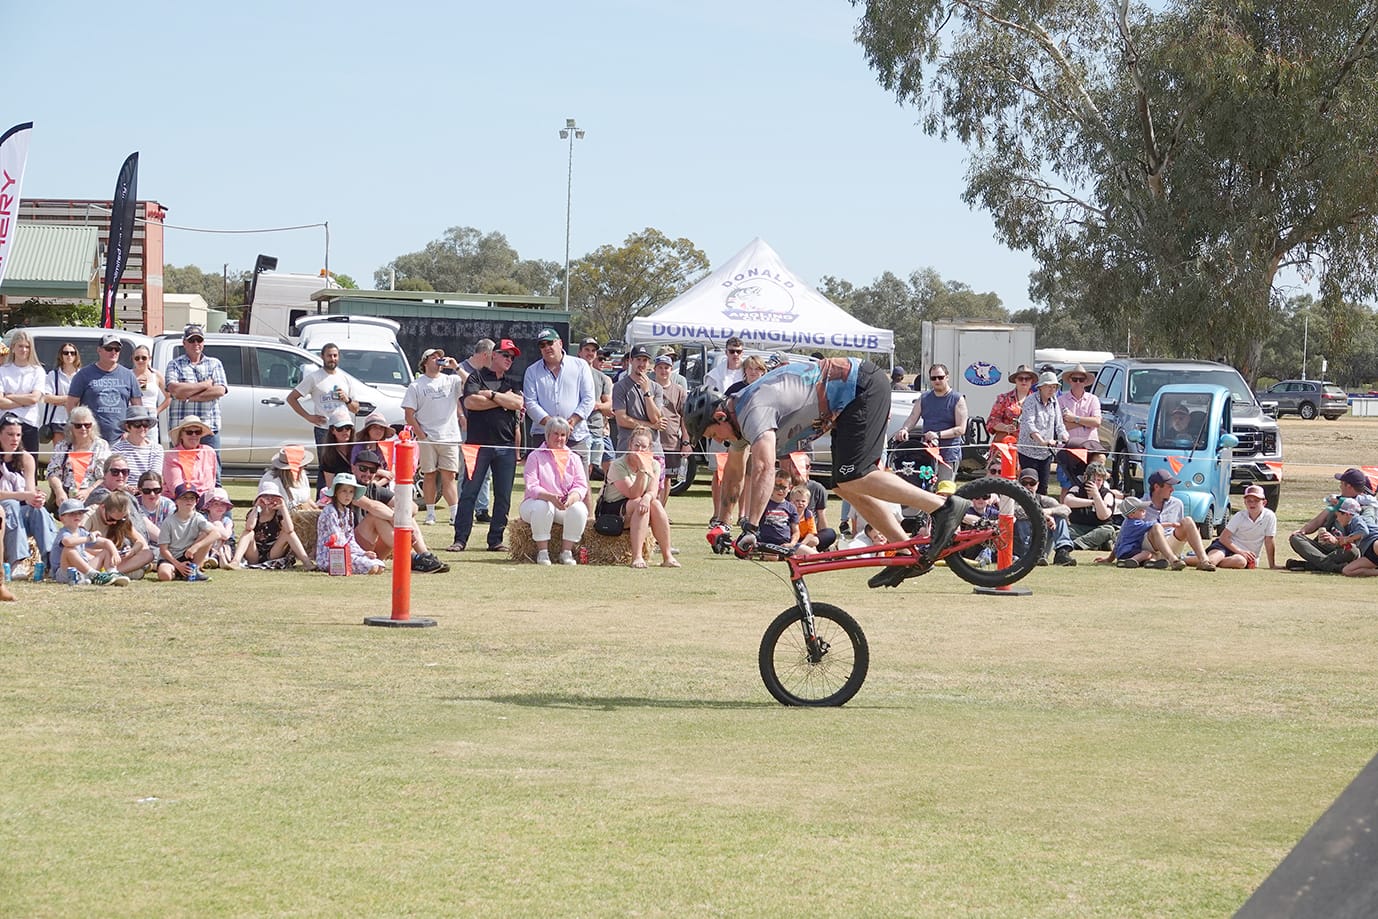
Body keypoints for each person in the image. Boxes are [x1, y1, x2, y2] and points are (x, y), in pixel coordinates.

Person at [684, 358, 970, 589]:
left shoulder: (753, 410)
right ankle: (908, 554)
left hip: (862, 386)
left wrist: (752, 528)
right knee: (844, 485)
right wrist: (721, 523)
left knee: (858, 475)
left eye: (712, 434)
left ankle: (943, 506)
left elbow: (761, 467)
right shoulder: (735, 416)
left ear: (720, 417)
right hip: (844, 406)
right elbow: (734, 473)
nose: (718, 441)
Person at [449, 339, 524, 553]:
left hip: (506, 446)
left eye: (512, 357)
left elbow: (518, 404)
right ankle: (460, 539)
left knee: (503, 496)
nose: (510, 360)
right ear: (494, 355)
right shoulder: (476, 376)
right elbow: (471, 402)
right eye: (506, 355)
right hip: (477, 445)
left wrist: (490, 395)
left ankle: (495, 540)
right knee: (469, 493)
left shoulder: (512, 382)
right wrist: (503, 400)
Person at [347, 449, 448, 574]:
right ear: (353, 468)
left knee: (404, 513)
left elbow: (412, 506)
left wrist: (401, 516)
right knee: (376, 517)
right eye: (363, 468)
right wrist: (395, 518)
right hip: (351, 546)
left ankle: (424, 556)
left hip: (372, 548)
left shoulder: (374, 489)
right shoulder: (347, 488)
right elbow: (371, 506)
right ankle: (410, 556)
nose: (367, 473)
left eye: (372, 470)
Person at [600, 424, 679, 569]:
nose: (640, 450)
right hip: (613, 509)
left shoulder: (655, 464)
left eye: (644, 447)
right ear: (630, 445)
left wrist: (648, 498)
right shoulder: (618, 465)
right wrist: (643, 469)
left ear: (650, 448)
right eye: (637, 445)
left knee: (654, 503)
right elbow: (632, 493)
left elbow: (653, 491)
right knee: (639, 503)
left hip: (640, 503)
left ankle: (667, 556)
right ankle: (637, 557)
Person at [402, 348, 465, 526]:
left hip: (450, 436)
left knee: (449, 476)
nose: (438, 359)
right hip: (428, 438)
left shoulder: (452, 379)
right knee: (429, 475)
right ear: (425, 362)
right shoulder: (416, 385)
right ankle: (430, 513)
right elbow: (409, 414)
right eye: (433, 356)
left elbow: (472, 385)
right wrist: (422, 436)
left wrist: (456, 367)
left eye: (440, 356)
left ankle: (454, 513)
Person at [518, 417, 589, 565]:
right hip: (535, 504)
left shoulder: (574, 458)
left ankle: (566, 552)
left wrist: (572, 497)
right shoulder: (535, 456)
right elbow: (531, 486)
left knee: (580, 509)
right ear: (547, 434)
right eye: (555, 434)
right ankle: (542, 552)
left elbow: (581, 485)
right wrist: (549, 497)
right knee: (543, 506)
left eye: (563, 435)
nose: (559, 438)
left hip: (563, 506)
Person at [523, 327, 594, 472]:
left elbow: (588, 398)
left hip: (576, 436)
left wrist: (572, 422)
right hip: (542, 436)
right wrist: (552, 426)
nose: (546, 347)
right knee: (544, 485)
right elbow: (530, 403)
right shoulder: (531, 371)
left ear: (560, 343)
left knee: (580, 487)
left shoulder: (580, 366)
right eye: (542, 345)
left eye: (550, 343)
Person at [0, 412, 58, 578]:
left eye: (18, 435)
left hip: (22, 510)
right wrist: (23, 495)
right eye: (10, 434)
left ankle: (53, 563)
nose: (15, 439)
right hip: (4, 511)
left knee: (38, 510)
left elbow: (29, 492)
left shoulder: (26, 458)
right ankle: (18, 562)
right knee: (10, 504)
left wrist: (37, 498)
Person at [1289, 468, 1378, 571]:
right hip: (1326, 547)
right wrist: (1303, 530)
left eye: (1342, 483)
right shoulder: (1338, 501)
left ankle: (1318, 566)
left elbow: (1363, 534)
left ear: (1348, 485)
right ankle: (1330, 566)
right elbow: (1318, 521)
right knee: (1296, 538)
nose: (1340, 486)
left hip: (1345, 549)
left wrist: (1337, 541)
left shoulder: (1367, 508)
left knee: (1352, 550)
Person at [893, 363, 968, 483]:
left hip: (948, 453)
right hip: (927, 452)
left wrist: (938, 434)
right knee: (925, 488)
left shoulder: (957, 399)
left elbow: (960, 429)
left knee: (944, 489)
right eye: (933, 378)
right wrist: (905, 429)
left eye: (940, 377)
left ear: (947, 377)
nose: (937, 381)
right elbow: (912, 417)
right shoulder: (924, 398)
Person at [164, 324, 228, 458]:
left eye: (199, 340)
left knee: (212, 472)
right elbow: (175, 390)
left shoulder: (215, 363)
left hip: (208, 427)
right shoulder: (174, 364)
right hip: (182, 429)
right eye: (192, 340)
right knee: (180, 469)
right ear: (184, 343)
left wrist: (189, 396)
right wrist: (205, 384)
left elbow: (220, 390)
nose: (196, 344)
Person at [66, 333, 141, 444]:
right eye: (109, 348)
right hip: (92, 439)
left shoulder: (128, 375)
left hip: (121, 440)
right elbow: (71, 404)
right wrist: (79, 429)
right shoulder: (84, 374)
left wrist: (130, 432)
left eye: (117, 349)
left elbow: (137, 407)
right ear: (99, 350)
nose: (113, 352)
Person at [287, 341, 361, 448]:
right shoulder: (314, 377)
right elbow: (291, 398)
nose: (332, 359)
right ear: (322, 357)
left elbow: (356, 409)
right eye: (329, 356)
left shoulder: (345, 378)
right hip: (324, 429)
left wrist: (347, 400)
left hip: (344, 429)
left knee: (345, 463)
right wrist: (308, 417)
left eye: (335, 355)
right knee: (326, 463)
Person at [1141, 469, 1216, 571]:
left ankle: (1204, 561)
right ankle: (1173, 561)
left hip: (1171, 545)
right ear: (1156, 487)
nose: (1172, 490)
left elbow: (1180, 530)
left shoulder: (1177, 504)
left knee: (1188, 520)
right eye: (1169, 486)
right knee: (1156, 527)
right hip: (1150, 549)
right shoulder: (1140, 504)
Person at [229, 480, 314, 570]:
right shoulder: (255, 512)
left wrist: (283, 507)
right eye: (266, 496)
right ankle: (235, 561)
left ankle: (307, 562)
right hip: (254, 553)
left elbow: (290, 529)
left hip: (273, 552)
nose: (269, 499)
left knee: (288, 533)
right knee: (248, 533)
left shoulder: (279, 514)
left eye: (273, 497)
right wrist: (256, 507)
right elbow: (249, 527)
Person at [315, 472, 386, 575]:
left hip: (347, 552)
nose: (348, 495)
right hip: (331, 556)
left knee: (380, 566)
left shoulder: (348, 513)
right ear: (336, 493)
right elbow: (337, 539)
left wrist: (363, 553)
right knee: (373, 567)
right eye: (344, 491)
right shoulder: (330, 511)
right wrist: (359, 554)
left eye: (351, 492)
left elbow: (350, 539)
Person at [49, 497, 130, 586]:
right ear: (62, 518)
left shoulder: (82, 532)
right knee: (69, 550)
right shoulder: (64, 532)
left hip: (83, 569)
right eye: (72, 514)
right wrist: (89, 538)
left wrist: (114, 553)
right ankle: (94, 575)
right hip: (64, 572)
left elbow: (106, 542)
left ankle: (112, 573)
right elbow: (67, 542)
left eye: (80, 513)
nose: (77, 516)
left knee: (107, 549)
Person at [1199, 483, 1277, 569]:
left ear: (1264, 502)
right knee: (1213, 559)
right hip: (1225, 546)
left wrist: (1272, 565)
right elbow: (1223, 538)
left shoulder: (1269, 516)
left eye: (1256, 500)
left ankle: (1203, 559)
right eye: (1249, 501)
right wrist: (1240, 551)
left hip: (1244, 557)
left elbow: (1269, 540)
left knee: (1240, 562)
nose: (1252, 504)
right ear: (1245, 502)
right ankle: (1188, 559)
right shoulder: (1239, 516)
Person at [45, 406, 110, 508]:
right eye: (78, 426)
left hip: (92, 492)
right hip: (66, 492)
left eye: (87, 425)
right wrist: (59, 492)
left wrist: (87, 491)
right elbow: (52, 473)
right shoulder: (63, 446)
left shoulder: (101, 445)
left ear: (93, 426)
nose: (83, 428)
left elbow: (105, 476)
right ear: (71, 427)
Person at [83, 491, 156, 579]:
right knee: (137, 573)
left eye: (120, 520)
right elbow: (77, 544)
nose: (114, 523)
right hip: (93, 556)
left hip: (113, 559)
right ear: (102, 507)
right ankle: (111, 573)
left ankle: (109, 573)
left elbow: (140, 542)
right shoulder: (89, 516)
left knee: (148, 554)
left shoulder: (122, 519)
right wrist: (103, 552)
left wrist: (131, 552)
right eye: (111, 519)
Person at [1016, 371, 1067, 494]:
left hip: (1046, 453)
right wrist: (1042, 441)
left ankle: (1041, 512)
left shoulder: (1054, 402)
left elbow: (1059, 423)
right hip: (1028, 451)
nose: (1052, 389)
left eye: (1054, 387)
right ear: (1040, 387)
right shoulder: (1030, 401)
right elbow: (1029, 424)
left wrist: (1064, 435)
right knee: (1028, 485)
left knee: (1043, 487)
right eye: (1049, 386)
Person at [1014, 468, 1078, 566]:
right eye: (1024, 483)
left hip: (1042, 543)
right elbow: (1017, 512)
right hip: (1022, 546)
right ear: (1019, 484)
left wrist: (1049, 511)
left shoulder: (1044, 500)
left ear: (1037, 484)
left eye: (1032, 483)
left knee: (1059, 517)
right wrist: (1044, 517)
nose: (1028, 486)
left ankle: (1062, 551)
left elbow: (1066, 509)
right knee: (1021, 520)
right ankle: (1030, 554)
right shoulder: (1013, 500)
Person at [0, 329, 50, 454]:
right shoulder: (3, 370)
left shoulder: (38, 371)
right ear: (13, 348)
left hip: (29, 424)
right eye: (20, 346)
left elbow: (34, 398)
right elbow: (1, 401)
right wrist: (25, 400)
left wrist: (11, 396)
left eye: (27, 347)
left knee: (29, 465)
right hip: (5, 424)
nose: (24, 350)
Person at [156, 483, 218, 582]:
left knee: (207, 534)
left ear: (196, 501)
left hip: (189, 554)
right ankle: (179, 572)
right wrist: (178, 565)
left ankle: (195, 569)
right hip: (171, 558)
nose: (189, 501)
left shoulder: (197, 517)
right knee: (165, 576)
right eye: (184, 497)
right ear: (177, 501)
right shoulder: (169, 521)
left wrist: (195, 547)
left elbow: (216, 534)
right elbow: (163, 550)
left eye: (192, 498)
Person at [612, 345, 666, 458]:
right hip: (627, 450)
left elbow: (655, 418)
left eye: (645, 360)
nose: (641, 364)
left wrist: (647, 392)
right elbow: (622, 420)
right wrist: (651, 426)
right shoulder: (620, 387)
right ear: (631, 360)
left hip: (653, 450)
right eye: (638, 359)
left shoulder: (657, 388)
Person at [577, 338, 615, 490]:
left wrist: (596, 405)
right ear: (580, 352)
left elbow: (609, 407)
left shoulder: (602, 377)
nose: (590, 353)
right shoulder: (572, 372)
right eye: (587, 350)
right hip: (578, 428)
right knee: (579, 469)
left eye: (593, 351)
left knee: (591, 468)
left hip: (596, 429)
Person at [652, 353, 689, 506]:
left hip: (671, 441)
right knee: (651, 476)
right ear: (654, 369)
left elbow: (684, 418)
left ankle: (661, 511)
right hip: (651, 441)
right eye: (660, 367)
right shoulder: (648, 388)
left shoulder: (679, 390)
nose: (663, 371)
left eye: (666, 368)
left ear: (671, 370)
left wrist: (686, 442)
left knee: (667, 478)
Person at [1060, 460, 1119, 551]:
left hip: (1099, 528)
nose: (1095, 483)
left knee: (1108, 531)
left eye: (1099, 480)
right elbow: (1068, 501)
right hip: (1078, 528)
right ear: (1085, 478)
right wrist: (1091, 502)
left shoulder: (1107, 494)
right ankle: (1095, 544)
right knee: (1065, 530)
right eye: (1093, 480)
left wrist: (1096, 497)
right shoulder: (1077, 489)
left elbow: (1103, 516)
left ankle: (1075, 544)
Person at [162, 415, 219, 507]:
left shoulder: (209, 452)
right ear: (181, 435)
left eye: (197, 432)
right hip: (180, 499)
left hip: (207, 500)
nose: (194, 435)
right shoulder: (172, 455)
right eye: (189, 432)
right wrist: (194, 500)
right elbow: (175, 487)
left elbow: (212, 482)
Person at [39, 341, 81, 448]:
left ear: (76, 356)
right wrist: (70, 399)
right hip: (58, 420)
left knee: (77, 452)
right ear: (61, 356)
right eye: (66, 353)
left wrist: (60, 400)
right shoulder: (53, 375)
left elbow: (84, 398)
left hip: (78, 419)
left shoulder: (82, 375)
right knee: (59, 453)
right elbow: (47, 397)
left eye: (72, 353)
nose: (69, 355)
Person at [130, 343, 170, 445]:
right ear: (132, 359)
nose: (140, 361)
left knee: (151, 446)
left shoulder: (156, 375)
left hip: (150, 416)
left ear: (149, 358)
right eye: (137, 358)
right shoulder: (128, 374)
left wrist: (156, 411)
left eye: (144, 358)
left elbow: (169, 397)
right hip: (133, 416)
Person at [111, 404, 164, 481]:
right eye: (137, 424)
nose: (142, 428)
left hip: (149, 489)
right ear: (128, 427)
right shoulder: (117, 449)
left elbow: (155, 475)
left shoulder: (157, 448)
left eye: (145, 424)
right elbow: (116, 477)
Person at [986, 364, 1036, 444]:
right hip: (1006, 445)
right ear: (1015, 380)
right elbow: (992, 421)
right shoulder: (1004, 398)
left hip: (1030, 446)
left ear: (1031, 381)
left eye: (1027, 379)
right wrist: (1005, 427)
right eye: (1020, 379)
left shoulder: (1037, 401)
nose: (1024, 381)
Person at [315, 408, 357, 495]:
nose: (345, 431)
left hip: (360, 490)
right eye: (340, 428)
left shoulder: (358, 449)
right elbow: (330, 487)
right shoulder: (328, 456)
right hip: (341, 494)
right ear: (332, 430)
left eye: (348, 427)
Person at [133, 470, 174, 544]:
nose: (152, 494)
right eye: (147, 491)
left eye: (156, 490)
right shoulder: (134, 504)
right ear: (140, 490)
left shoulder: (169, 505)